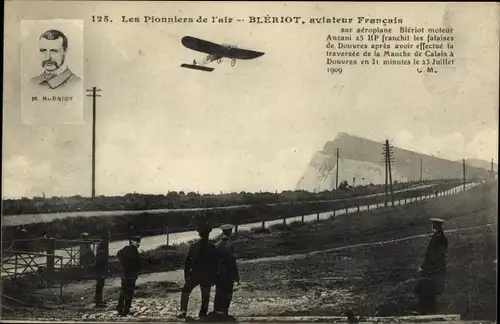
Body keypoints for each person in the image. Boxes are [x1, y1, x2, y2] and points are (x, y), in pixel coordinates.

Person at [177, 223, 219, 319]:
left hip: (194, 275)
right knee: (205, 296)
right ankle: (202, 314)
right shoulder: (212, 247)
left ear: (199, 235)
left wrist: (187, 275)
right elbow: (215, 265)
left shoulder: (193, 246)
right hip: (206, 276)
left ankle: (183, 310)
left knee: (185, 291)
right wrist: (214, 278)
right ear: (208, 235)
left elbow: (187, 263)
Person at [414, 218, 448, 314]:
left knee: (426, 289)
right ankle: (429, 310)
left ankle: (425, 310)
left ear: (434, 227)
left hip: (432, 269)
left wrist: (423, 267)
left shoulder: (436, 238)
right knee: (431, 290)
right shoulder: (442, 237)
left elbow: (432, 255)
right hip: (438, 268)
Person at [213, 224, 240, 317]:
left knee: (219, 292)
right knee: (228, 292)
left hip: (219, 272)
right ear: (230, 232)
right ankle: (225, 312)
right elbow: (232, 261)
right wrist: (236, 275)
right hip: (228, 272)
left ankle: (217, 311)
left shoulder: (217, 244)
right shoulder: (229, 244)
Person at [116, 236, 142, 317]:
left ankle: (120, 309)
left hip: (124, 274)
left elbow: (118, 254)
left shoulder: (125, 248)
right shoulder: (134, 251)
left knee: (123, 291)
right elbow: (137, 263)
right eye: (137, 242)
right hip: (131, 275)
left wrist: (123, 265)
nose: (138, 244)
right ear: (132, 241)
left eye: (139, 242)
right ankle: (125, 311)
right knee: (129, 292)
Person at [93, 231, 110, 308]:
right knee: (100, 284)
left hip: (101, 266)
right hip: (101, 267)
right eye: (109, 235)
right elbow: (101, 256)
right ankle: (98, 302)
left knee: (100, 284)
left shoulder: (102, 243)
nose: (110, 236)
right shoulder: (104, 243)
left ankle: (98, 300)